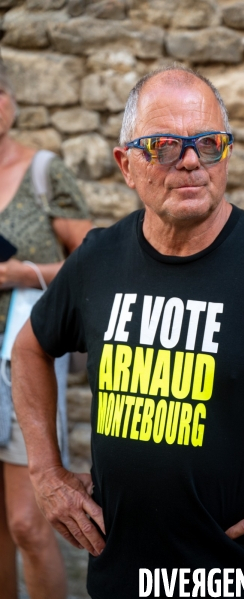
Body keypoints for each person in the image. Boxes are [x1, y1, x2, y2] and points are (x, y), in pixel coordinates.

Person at [11, 65, 244, 599]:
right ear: (126, 164)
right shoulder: (98, 260)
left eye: (210, 143)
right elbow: (29, 347)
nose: (192, 160)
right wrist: (47, 473)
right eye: (166, 146)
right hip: (118, 577)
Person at [0, 62, 92, 599]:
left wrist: (19, 273)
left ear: (12, 101)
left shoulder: (43, 170)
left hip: (20, 360)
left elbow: (91, 260)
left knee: (26, 525)